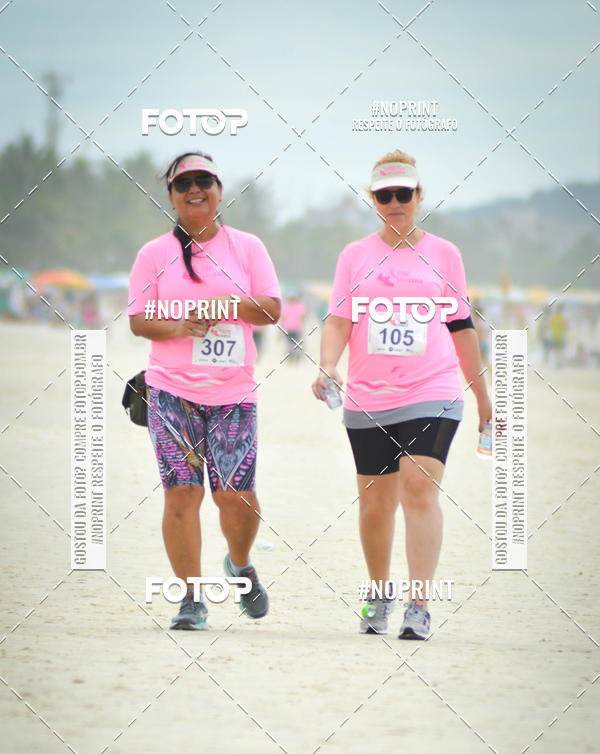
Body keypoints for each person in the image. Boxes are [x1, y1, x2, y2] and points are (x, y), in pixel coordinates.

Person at [312, 150, 491, 640]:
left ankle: (419, 606)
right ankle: (378, 593)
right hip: (369, 396)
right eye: (385, 195)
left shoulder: (445, 255)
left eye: (404, 193)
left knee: (420, 485)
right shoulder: (355, 256)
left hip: (433, 390)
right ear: (373, 199)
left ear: (419, 195)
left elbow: (461, 329)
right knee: (375, 504)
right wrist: (328, 365)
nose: (395, 202)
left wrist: (483, 396)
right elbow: (339, 320)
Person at [128, 152, 281, 630]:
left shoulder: (247, 248)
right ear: (171, 196)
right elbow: (137, 320)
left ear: (219, 189)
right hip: (171, 392)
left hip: (233, 393)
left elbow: (273, 310)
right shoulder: (154, 254)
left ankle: (240, 564)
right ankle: (191, 599)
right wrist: (178, 327)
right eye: (184, 183)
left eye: (205, 181)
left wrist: (235, 303)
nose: (195, 189)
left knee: (236, 497)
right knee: (182, 495)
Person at [280, 290, 306, 362]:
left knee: (296, 343)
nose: (292, 300)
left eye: (293, 299)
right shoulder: (285, 307)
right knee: (289, 344)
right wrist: (280, 330)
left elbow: (302, 318)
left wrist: (303, 327)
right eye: (291, 299)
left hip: (297, 329)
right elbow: (282, 318)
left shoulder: (300, 307)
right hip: (288, 328)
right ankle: (290, 357)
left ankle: (297, 356)